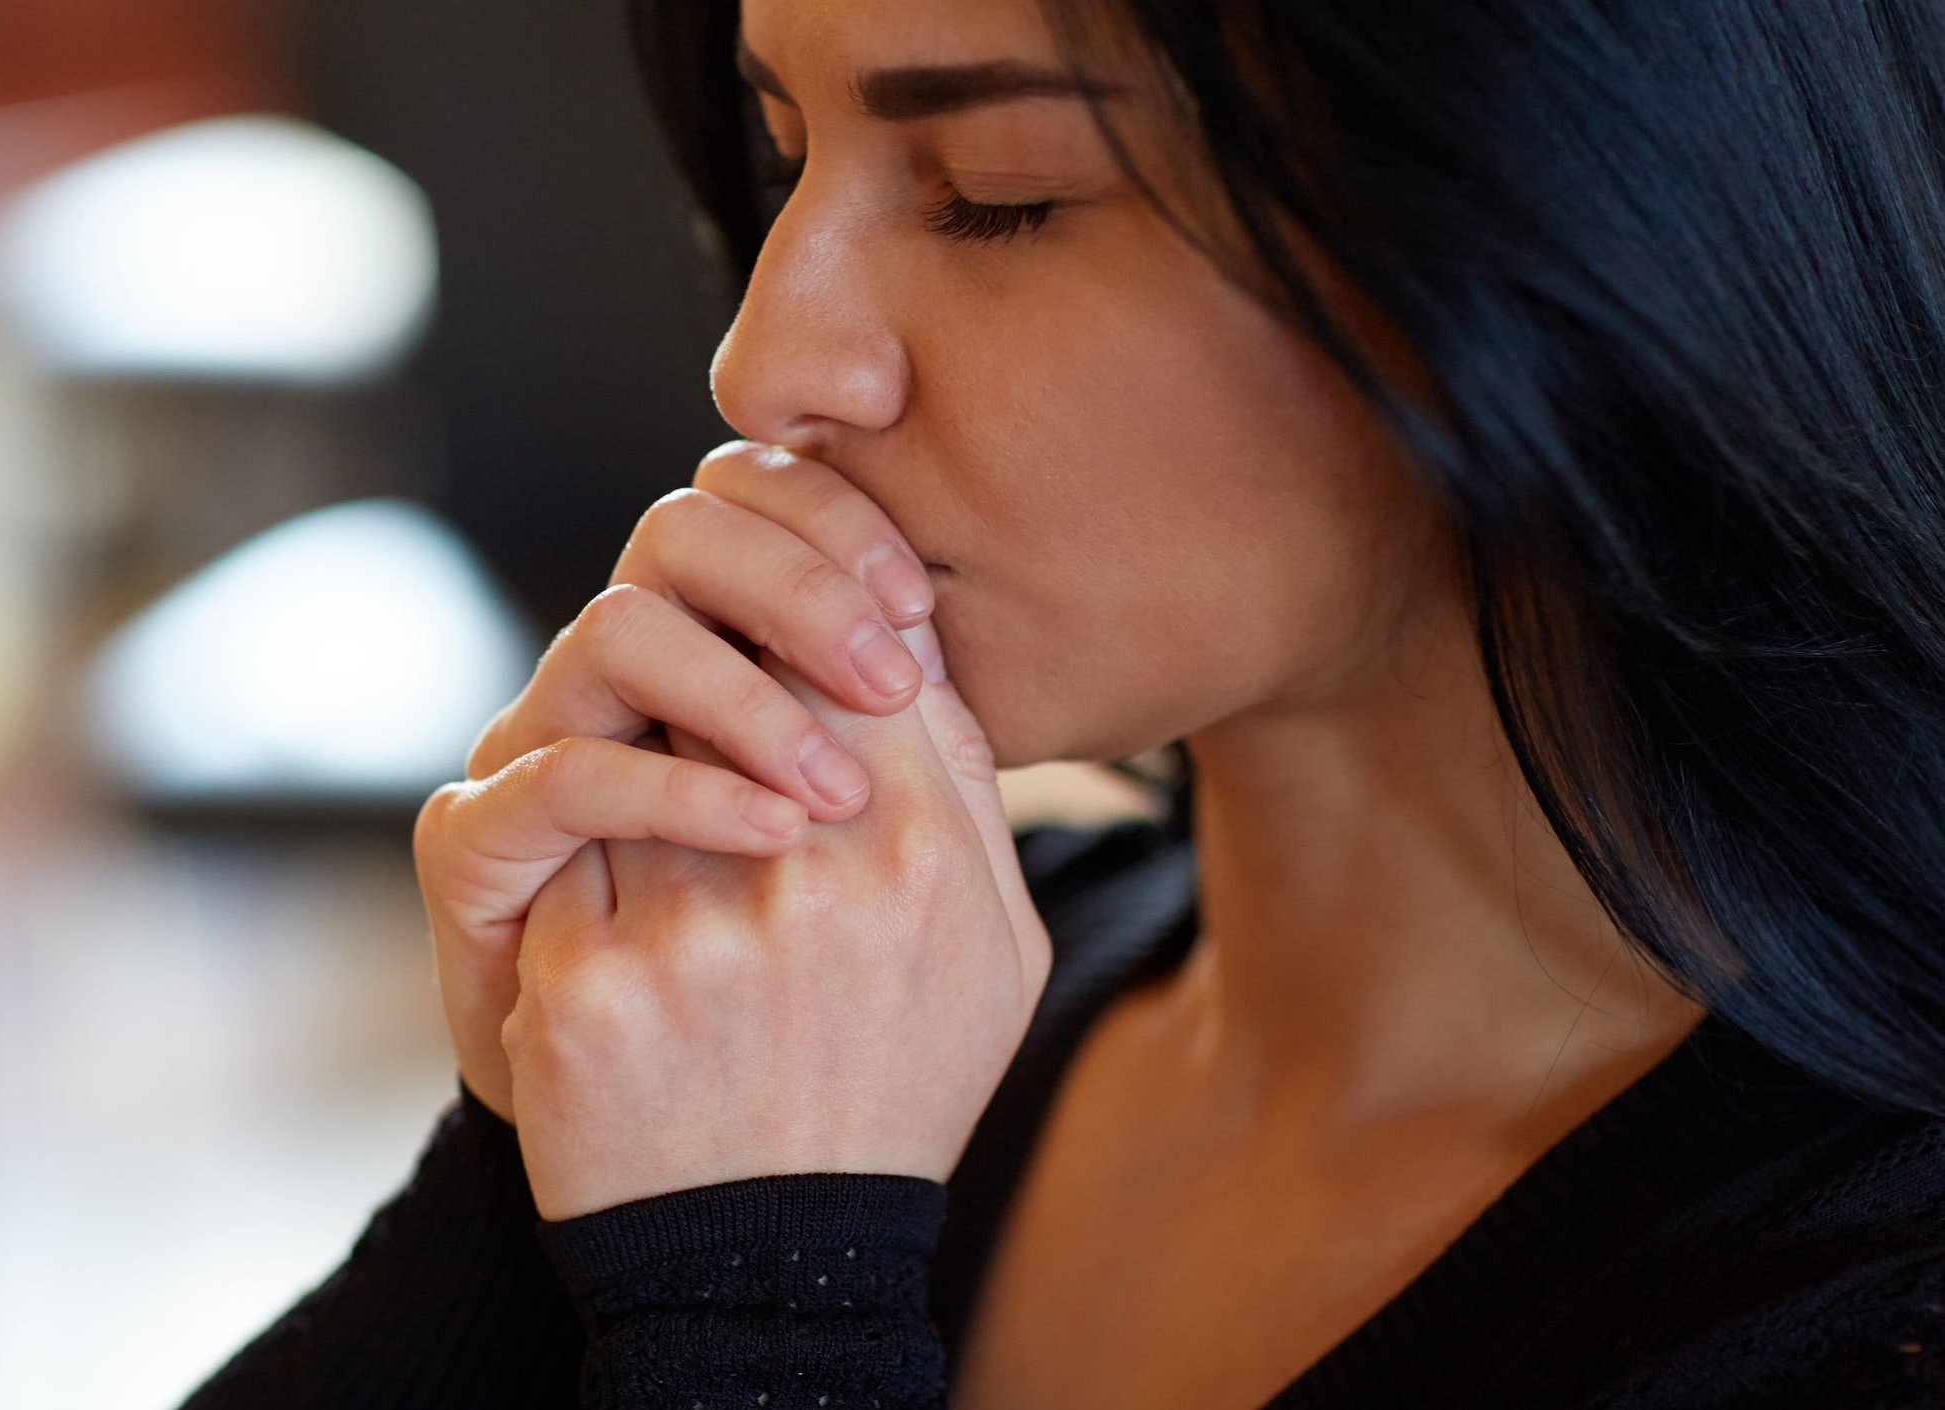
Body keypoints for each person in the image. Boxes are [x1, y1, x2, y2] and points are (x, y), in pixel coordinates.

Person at [180, 0, 1945, 1404]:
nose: (763, 362)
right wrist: (544, 1156)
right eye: (785, 154)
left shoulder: (1860, 1303)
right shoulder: (843, 1060)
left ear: (1563, 211)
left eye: (998, 188)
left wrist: (754, 1294)